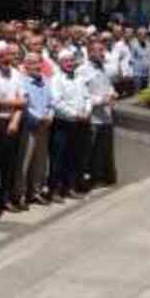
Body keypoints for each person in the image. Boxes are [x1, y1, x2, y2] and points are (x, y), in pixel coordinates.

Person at [0, 44, 26, 212]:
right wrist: (15, 102)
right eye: (2, 56)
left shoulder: (16, 74)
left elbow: (22, 100)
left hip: (13, 121)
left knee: (10, 164)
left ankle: (5, 197)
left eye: (8, 55)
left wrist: (15, 121)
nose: (6, 59)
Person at [50, 49, 91, 200]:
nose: (69, 63)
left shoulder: (79, 78)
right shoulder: (56, 79)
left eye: (71, 60)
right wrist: (75, 114)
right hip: (63, 124)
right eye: (66, 61)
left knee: (74, 157)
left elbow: (87, 97)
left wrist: (86, 111)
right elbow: (56, 102)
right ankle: (54, 190)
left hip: (80, 123)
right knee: (58, 158)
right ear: (60, 63)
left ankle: (70, 187)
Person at [17, 51, 55, 206]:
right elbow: (24, 105)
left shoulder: (46, 80)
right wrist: (38, 118)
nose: (36, 66)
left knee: (40, 161)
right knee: (25, 161)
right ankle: (20, 194)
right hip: (29, 126)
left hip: (44, 126)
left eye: (38, 62)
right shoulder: (21, 81)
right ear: (25, 65)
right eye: (32, 63)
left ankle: (36, 192)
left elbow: (51, 102)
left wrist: (49, 116)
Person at [80, 40, 118, 189]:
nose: (103, 53)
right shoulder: (83, 70)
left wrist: (113, 93)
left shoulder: (104, 69)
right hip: (93, 117)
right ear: (90, 52)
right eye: (99, 50)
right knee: (89, 152)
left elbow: (109, 87)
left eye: (103, 50)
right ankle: (84, 180)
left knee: (102, 151)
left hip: (106, 117)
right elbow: (82, 94)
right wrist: (101, 100)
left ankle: (98, 177)